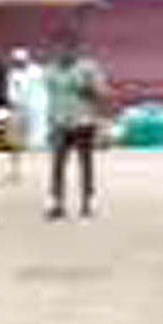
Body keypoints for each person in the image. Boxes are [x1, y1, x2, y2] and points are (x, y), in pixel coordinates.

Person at [43, 30, 109, 220]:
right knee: (57, 166)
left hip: (83, 122)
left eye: (68, 47)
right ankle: (57, 203)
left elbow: (102, 92)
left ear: (76, 48)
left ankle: (88, 203)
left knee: (85, 165)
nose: (64, 51)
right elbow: (51, 98)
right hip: (60, 123)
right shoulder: (50, 70)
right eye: (60, 47)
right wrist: (50, 123)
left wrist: (88, 87)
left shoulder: (89, 68)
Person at [8, 47, 51, 155]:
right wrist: (14, 102)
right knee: (17, 133)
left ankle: (37, 149)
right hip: (20, 107)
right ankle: (18, 149)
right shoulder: (13, 74)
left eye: (21, 61)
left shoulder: (37, 71)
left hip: (37, 106)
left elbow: (43, 88)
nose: (19, 63)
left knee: (37, 132)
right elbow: (12, 92)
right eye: (17, 61)